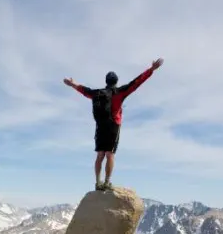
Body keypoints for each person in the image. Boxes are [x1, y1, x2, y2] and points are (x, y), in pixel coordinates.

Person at [63, 58, 164, 191]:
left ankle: (97, 183)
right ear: (116, 82)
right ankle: (107, 182)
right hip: (113, 126)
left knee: (100, 154)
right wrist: (151, 70)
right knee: (110, 154)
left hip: (100, 126)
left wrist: (72, 84)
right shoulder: (119, 92)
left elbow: (83, 90)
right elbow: (136, 82)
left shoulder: (97, 93)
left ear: (106, 82)